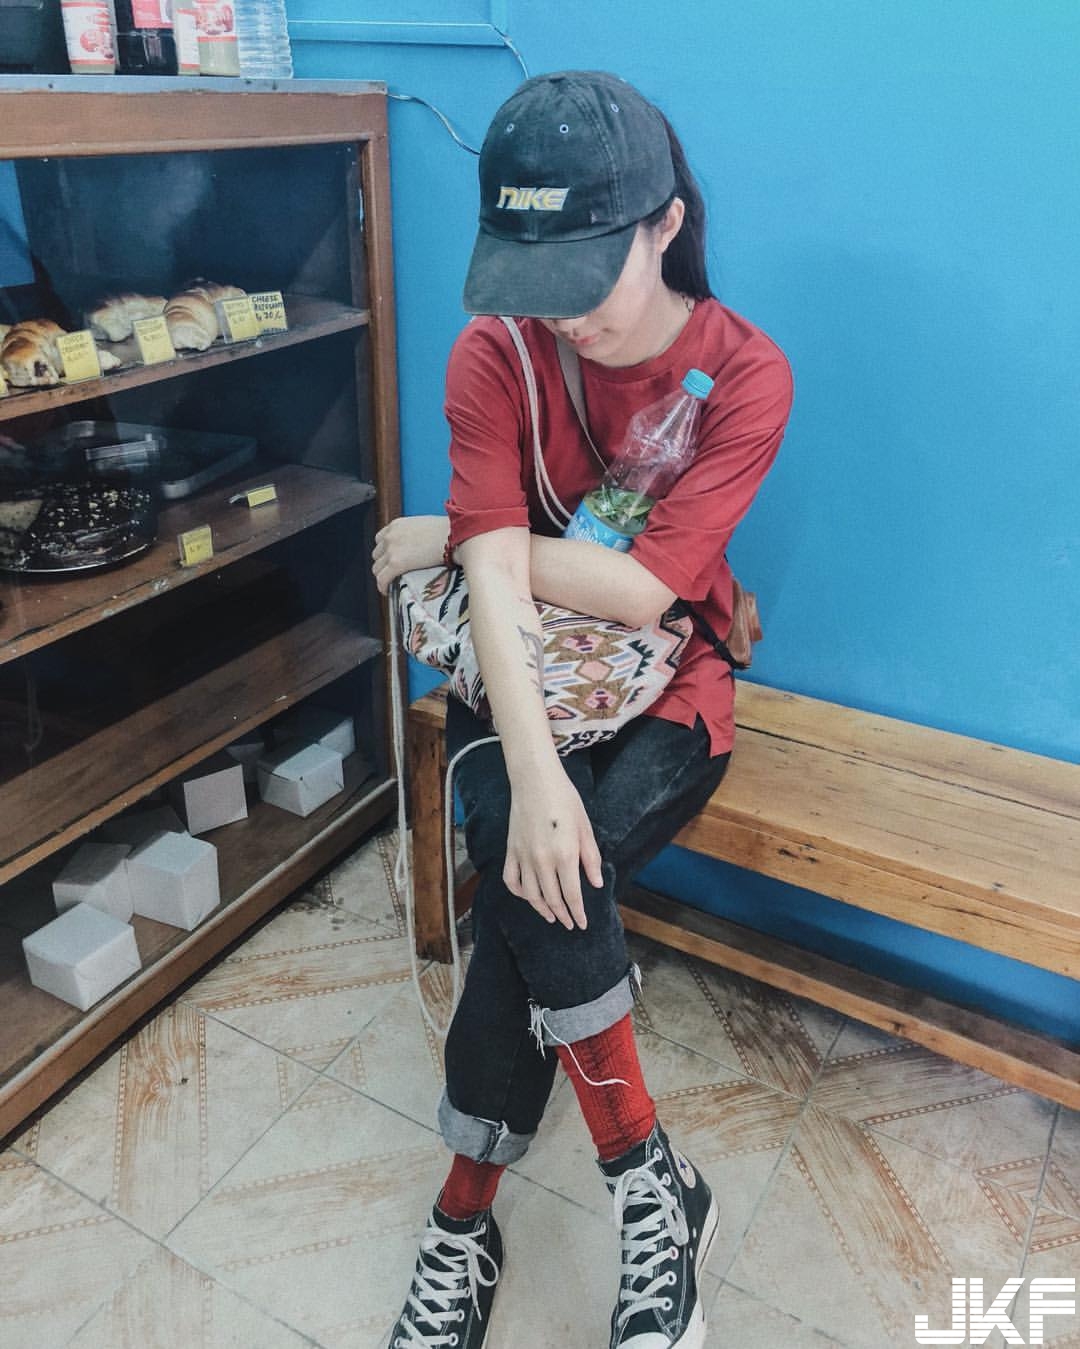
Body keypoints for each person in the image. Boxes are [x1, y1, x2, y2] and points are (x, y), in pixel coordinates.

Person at [372, 69, 792, 1349]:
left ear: (666, 225)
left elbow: (648, 589)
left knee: (538, 890)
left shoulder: (745, 374)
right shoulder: (493, 350)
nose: (559, 312)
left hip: (673, 683)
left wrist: (461, 529)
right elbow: (499, 592)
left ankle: (461, 1219)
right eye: (533, 277)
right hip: (519, 680)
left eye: (585, 277)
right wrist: (541, 774)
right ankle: (651, 1182)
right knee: (536, 855)